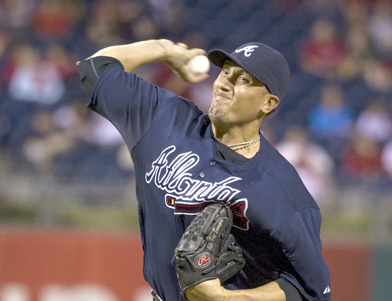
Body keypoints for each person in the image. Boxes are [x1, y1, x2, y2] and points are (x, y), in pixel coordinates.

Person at [77, 39, 331, 301]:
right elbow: (95, 68)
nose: (223, 84)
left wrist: (224, 299)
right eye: (225, 72)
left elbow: (312, 291)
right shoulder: (163, 120)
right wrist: (165, 50)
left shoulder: (283, 190)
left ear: (267, 104)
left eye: (242, 80)